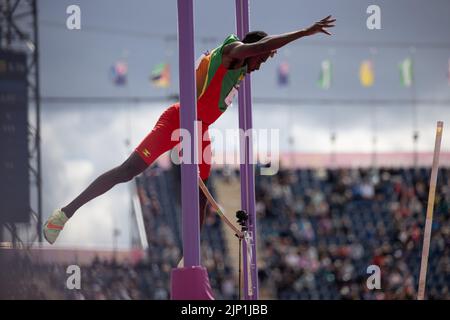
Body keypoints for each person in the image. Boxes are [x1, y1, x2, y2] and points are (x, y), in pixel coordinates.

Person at [43, 15, 336, 245]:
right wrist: (303, 32)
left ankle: (189, 258)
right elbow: (258, 48)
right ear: (253, 51)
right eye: (261, 60)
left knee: (201, 194)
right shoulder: (233, 51)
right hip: (178, 121)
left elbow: (253, 57)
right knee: (127, 170)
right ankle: (64, 214)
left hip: (200, 130)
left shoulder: (240, 68)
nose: (259, 66)